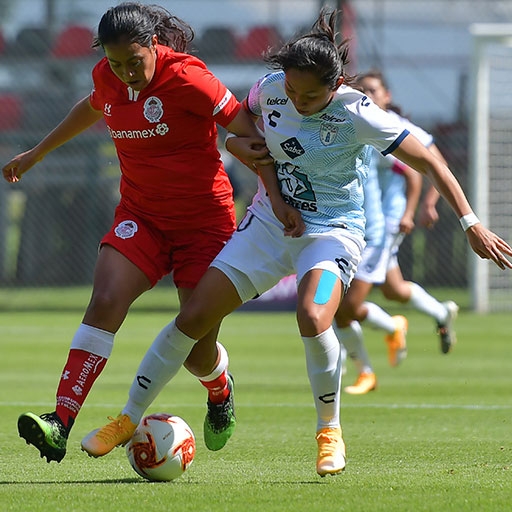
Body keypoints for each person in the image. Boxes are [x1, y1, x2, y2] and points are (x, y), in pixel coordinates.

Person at [80, 8, 512, 477]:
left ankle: (329, 432)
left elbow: (431, 160)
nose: (298, 102)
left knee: (312, 314)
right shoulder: (268, 92)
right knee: (194, 317)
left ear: (336, 85)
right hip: (267, 226)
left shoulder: (357, 112)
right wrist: (237, 149)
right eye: (292, 91)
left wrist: (471, 223)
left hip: (331, 234)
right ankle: (127, 416)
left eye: (311, 96)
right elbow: (238, 135)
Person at [2, 2, 284, 463]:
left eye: (135, 61)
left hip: (203, 222)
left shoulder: (190, 77)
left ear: (154, 44)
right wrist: (37, 152)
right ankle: (60, 420)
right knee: (106, 300)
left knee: (196, 352)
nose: (127, 73)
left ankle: (219, 387)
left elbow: (243, 128)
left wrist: (270, 189)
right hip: (142, 216)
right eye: (116, 64)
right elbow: (91, 106)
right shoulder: (107, 77)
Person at [335, 70, 461, 394]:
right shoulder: (355, 120)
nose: (368, 94)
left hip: (386, 223)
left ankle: (367, 368)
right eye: (362, 90)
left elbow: (430, 166)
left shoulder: (396, 128)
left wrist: (424, 206)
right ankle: (436, 313)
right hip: (362, 222)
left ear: (387, 95)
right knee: (393, 290)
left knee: (345, 309)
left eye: (374, 90)